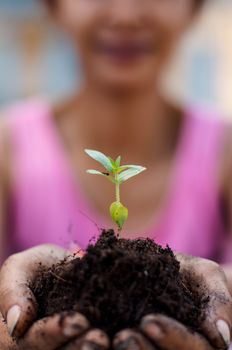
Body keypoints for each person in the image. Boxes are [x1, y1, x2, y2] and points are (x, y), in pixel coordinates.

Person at [0, 0, 232, 349]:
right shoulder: (8, 150)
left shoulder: (224, 152)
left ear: (195, 7)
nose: (125, 16)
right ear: (53, 6)